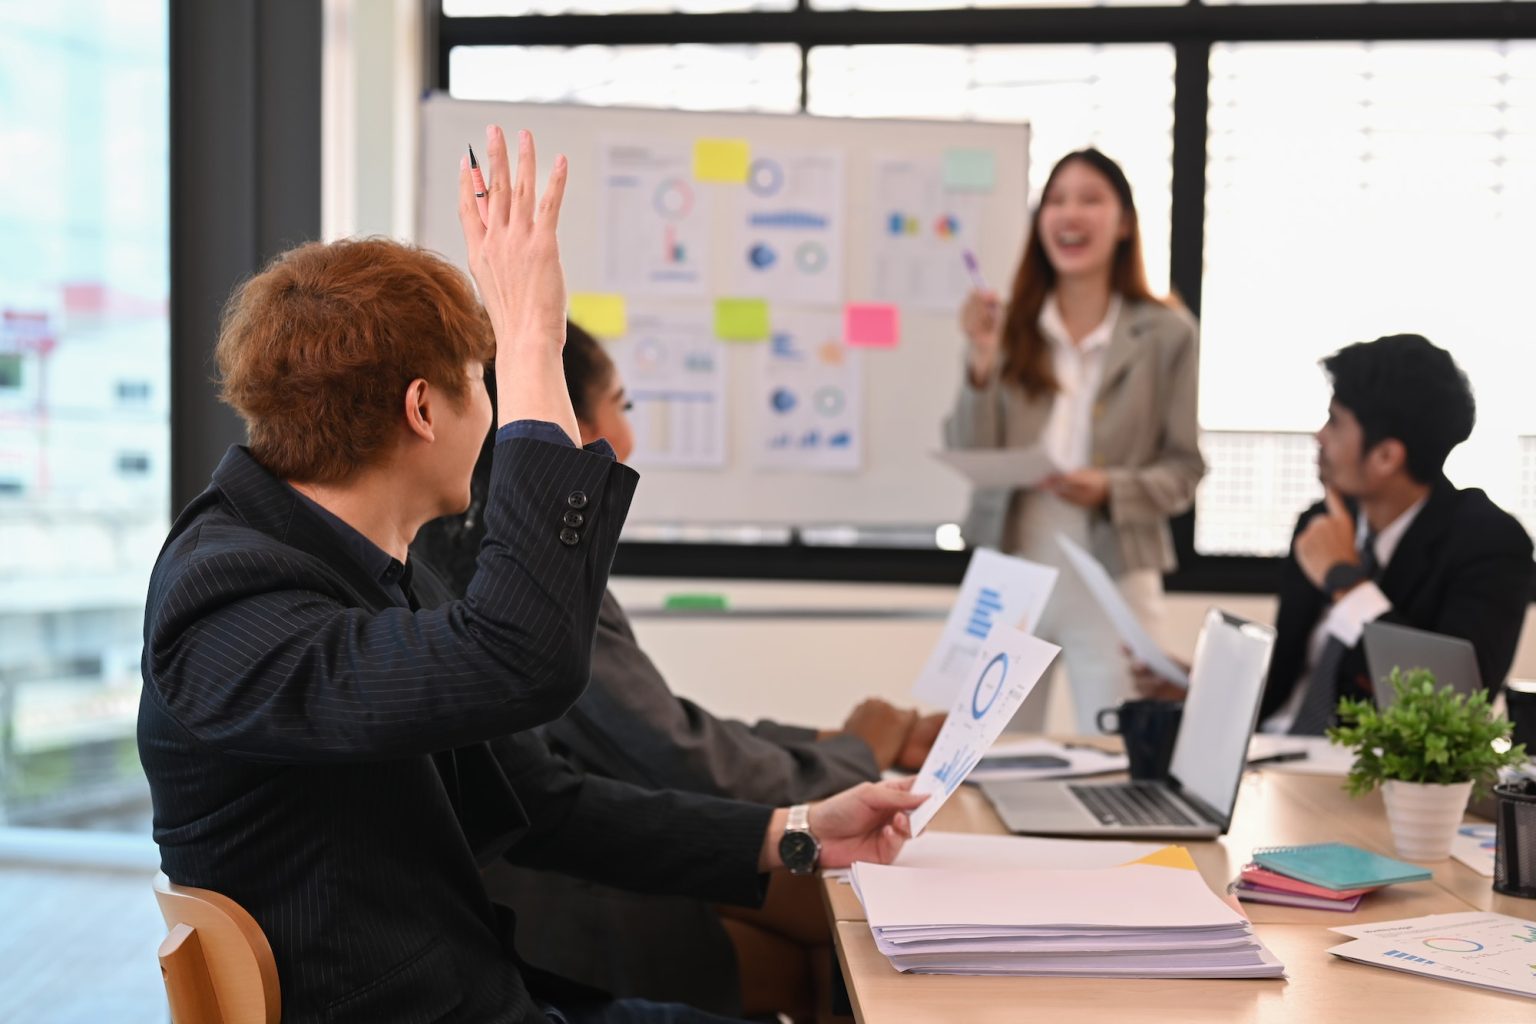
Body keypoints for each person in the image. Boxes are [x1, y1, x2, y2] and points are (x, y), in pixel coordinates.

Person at [137, 126, 924, 1024]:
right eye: (486, 381)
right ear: (425, 408)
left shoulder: (361, 570)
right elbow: (525, 659)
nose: (502, 406)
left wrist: (796, 834)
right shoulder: (228, 597)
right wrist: (531, 335)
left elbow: (543, 806)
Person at [414, 321, 944, 1020]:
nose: (627, 439)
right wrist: (856, 752)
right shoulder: (515, 567)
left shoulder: (472, 540)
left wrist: (827, 744)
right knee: (834, 934)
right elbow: (663, 748)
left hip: (589, 850)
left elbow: (658, 723)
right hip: (568, 888)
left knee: (835, 922)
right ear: (563, 419)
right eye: (624, 405)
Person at [1134, 334, 1533, 736]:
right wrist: (1200, 686)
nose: (1319, 436)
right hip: (1271, 754)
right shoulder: (1318, 522)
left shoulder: (1490, 545)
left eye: (1335, 421)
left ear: (1386, 457)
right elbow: (1291, 680)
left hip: (1366, 772)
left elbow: (1453, 707)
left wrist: (1345, 581)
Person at [944, 148, 1205, 732]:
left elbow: (1184, 470)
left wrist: (1110, 487)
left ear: (1125, 222)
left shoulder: (1166, 333)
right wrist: (982, 359)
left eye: (1091, 199)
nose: (1071, 213)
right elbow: (971, 448)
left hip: (1114, 571)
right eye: (1057, 200)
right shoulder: (1008, 326)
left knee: (1117, 751)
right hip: (1013, 561)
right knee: (983, 753)